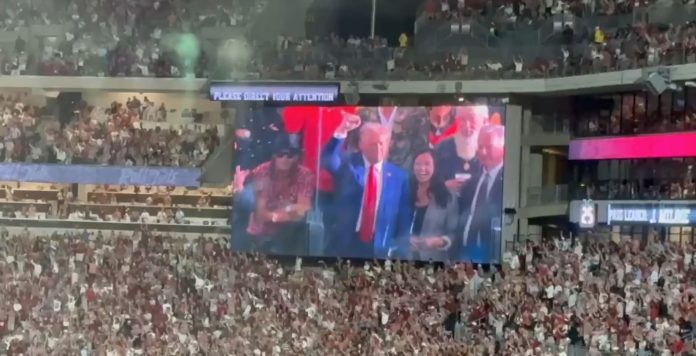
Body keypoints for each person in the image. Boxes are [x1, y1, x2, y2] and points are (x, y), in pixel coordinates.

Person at [321, 116, 412, 259]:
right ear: (361, 144)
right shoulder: (348, 165)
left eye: (382, 144)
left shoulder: (398, 177)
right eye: (372, 144)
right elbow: (328, 159)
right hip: (345, 243)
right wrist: (342, 130)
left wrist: (399, 247)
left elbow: (403, 215)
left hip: (380, 246)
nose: (378, 149)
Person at [245, 135, 315, 255]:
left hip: (291, 230)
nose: (285, 159)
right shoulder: (262, 171)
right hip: (261, 230)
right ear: (274, 156)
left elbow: (304, 208)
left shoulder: (305, 174)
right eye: (280, 154)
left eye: (290, 155)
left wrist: (281, 213)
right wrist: (288, 211)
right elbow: (261, 213)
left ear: (297, 157)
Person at [455, 125, 504, 262]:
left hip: (492, 256)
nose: (482, 152)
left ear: (503, 148)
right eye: (480, 146)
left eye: (488, 147)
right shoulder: (472, 182)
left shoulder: (509, 181)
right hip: (463, 255)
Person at [408, 150, 459, 261]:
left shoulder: (447, 196)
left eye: (427, 164)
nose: (422, 168)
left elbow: (453, 233)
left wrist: (439, 241)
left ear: (435, 167)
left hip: (434, 262)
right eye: (418, 164)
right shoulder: (404, 191)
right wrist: (406, 239)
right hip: (403, 260)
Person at [435, 105, 489, 194]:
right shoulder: (443, 147)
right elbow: (433, 182)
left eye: (472, 119)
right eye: (462, 119)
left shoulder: (491, 151)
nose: (466, 126)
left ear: (485, 121)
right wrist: (444, 186)